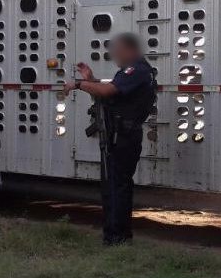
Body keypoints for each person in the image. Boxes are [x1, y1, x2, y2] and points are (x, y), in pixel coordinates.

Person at [64, 32, 156, 245]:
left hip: (122, 138)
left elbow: (107, 91)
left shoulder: (137, 70)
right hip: (121, 136)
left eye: (118, 51)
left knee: (117, 188)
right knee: (113, 187)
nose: (115, 56)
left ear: (129, 50)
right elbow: (111, 91)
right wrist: (90, 79)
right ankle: (116, 235)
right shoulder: (132, 71)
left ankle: (117, 237)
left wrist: (79, 84)